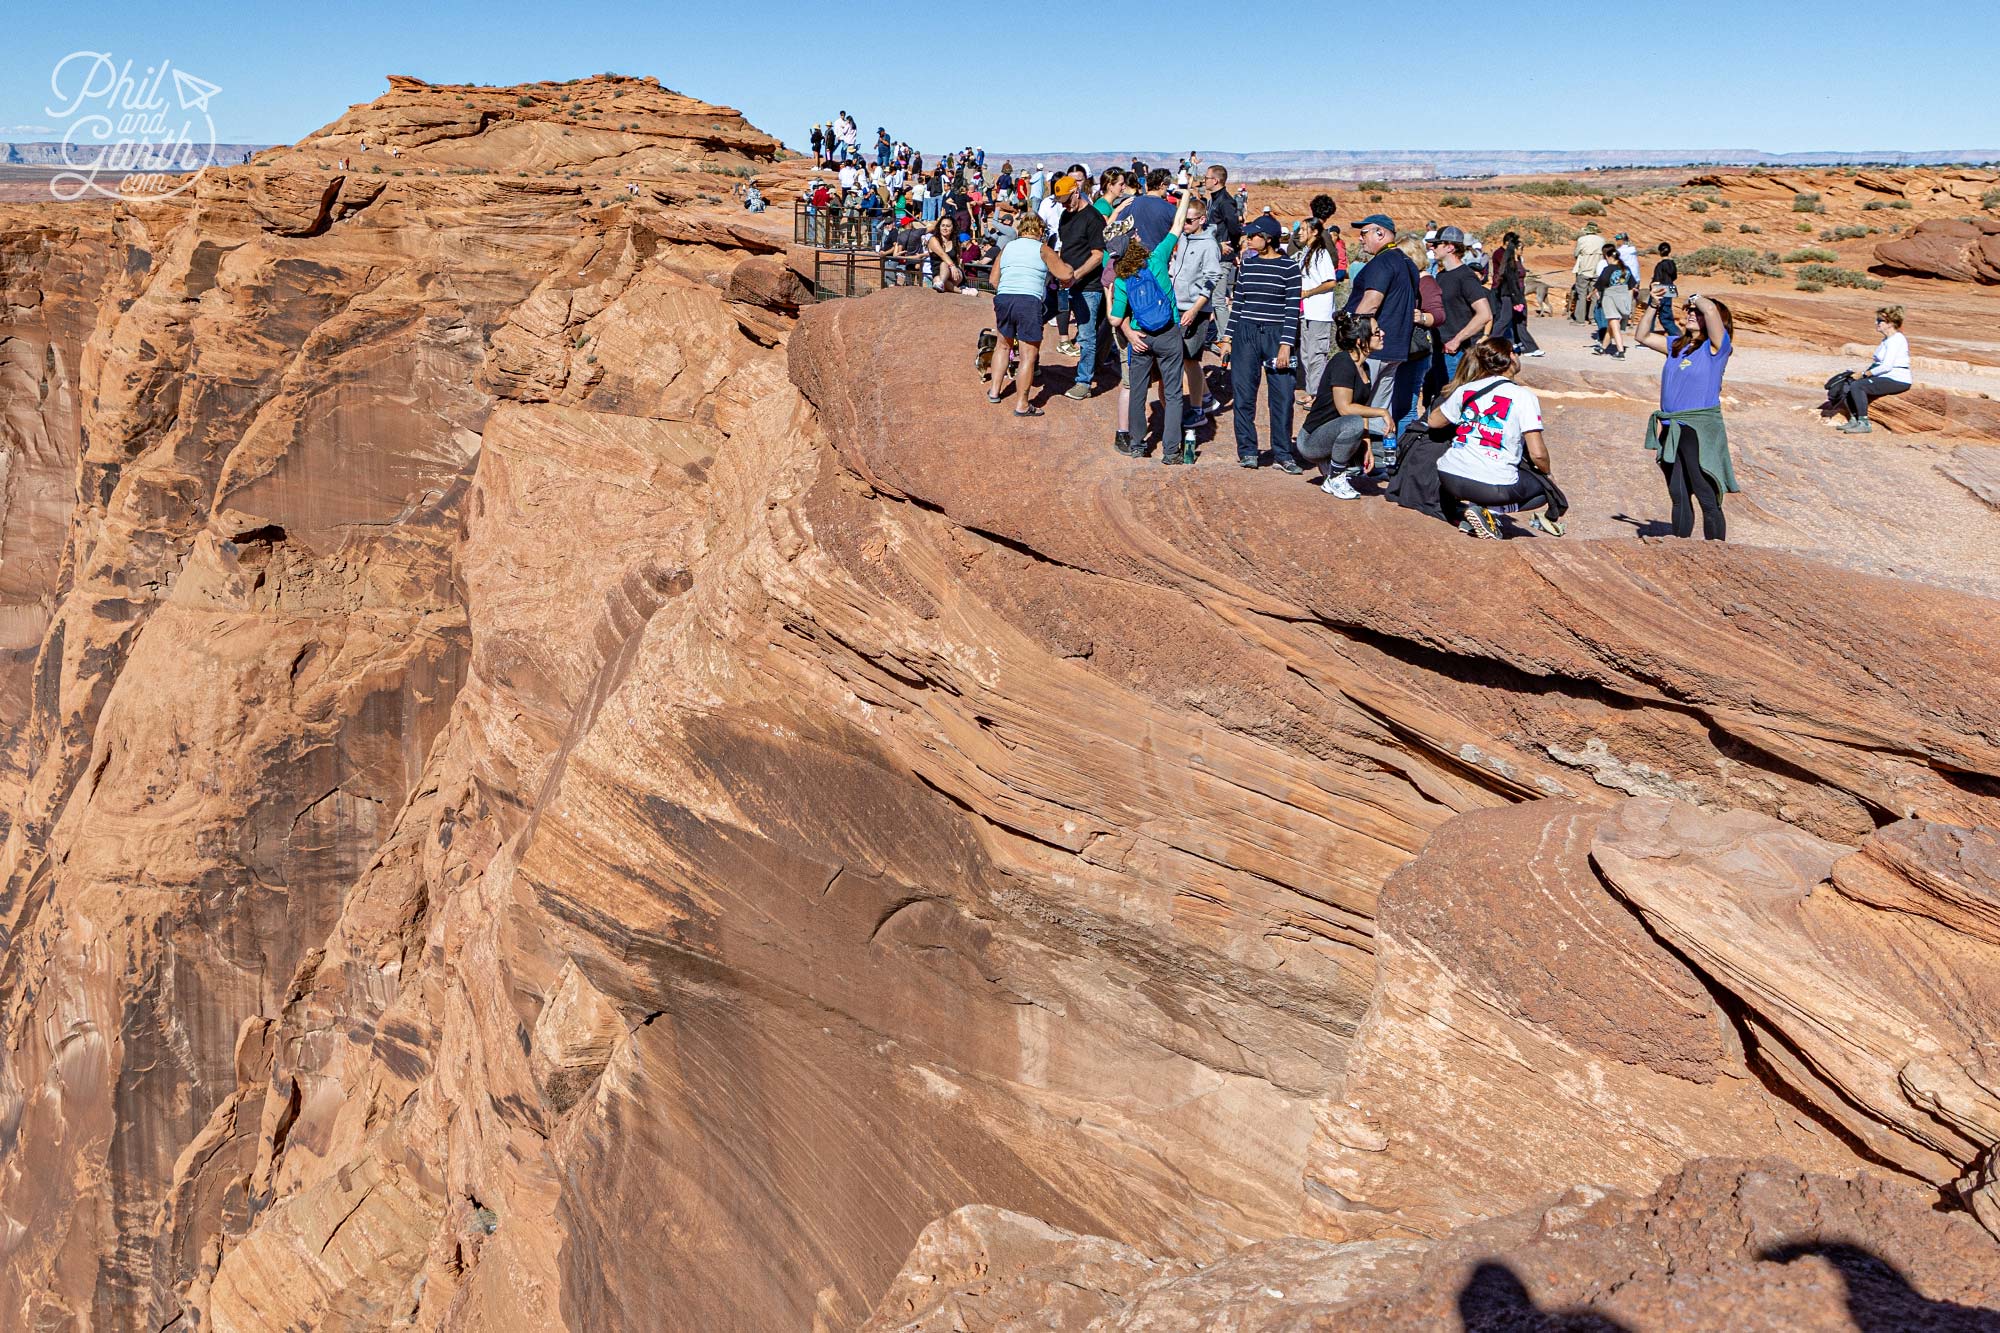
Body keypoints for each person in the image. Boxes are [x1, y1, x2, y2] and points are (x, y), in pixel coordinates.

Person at [1425, 338, 1566, 539]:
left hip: (1449, 476)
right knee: (1546, 490)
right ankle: (1491, 512)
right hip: (1491, 485)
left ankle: (1474, 513)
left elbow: (1434, 421)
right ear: (1510, 357)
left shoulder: (1466, 390)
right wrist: (1548, 474)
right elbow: (1538, 454)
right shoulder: (1523, 396)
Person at [1637, 289, 1737, 540]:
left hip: (1697, 429)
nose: (1692, 314)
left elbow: (1711, 309)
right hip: (1671, 427)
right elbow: (1642, 336)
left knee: (1705, 492)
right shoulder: (1676, 345)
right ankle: (1680, 548)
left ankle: (1715, 553)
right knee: (1678, 493)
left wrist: (1696, 298)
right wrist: (1653, 305)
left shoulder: (1717, 348)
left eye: (1697, 313)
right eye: (1690, 311)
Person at [1111, 185, 1198, 459]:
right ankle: (1171, 452)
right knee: (1172, 394)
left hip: (1140, 337)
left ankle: (1138, 445)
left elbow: (1115, 317)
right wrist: (1186, 194)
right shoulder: (1158, 258)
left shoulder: (1121, 278)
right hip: (1169, 333)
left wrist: (1129, 331)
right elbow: (1177, 224)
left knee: (1137, 393)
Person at [1217, 214, 1304, 470]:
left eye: (1254, 235)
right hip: (1246, 334)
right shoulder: (1248, 265)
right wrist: (1227, 338)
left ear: (1268, 239)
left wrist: (1287, 344)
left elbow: (1292, 310)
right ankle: (1247, 451)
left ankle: (1283, 454)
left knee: (1283, 396)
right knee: (1244, 395)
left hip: (1277, 337)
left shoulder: (1289, 268)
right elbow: (1239, 305)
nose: (1249, 239)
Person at [1343, 214, 1421, 455]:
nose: (1360, 238)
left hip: (1372, 346)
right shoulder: (1407, 263)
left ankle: (1349, 461)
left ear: (1381, 234)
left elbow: (1371, 303)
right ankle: (1377, 460)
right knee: (1379, 406)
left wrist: (1352, 337)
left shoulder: (1382, 262)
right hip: (1395, 347)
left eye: (1364, 232)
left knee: (1355, 403)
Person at [1297, 313, 1396, 498]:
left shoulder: (1364, 368)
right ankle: (1334, 478)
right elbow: (1346, 408)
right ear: (1360, 341)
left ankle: (1332, 465)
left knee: (1360, 457)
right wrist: (1382, 412)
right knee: (1354, 423)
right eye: (1376, 332)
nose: (1382, 333)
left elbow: (1361, 409)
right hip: (1311, 440)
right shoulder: (1343, 362)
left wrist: (1366, 446)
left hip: (1333, 432)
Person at [987, 215, 1072, 417]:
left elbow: (993, 280)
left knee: (1003, 345)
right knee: (1028, 355)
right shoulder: (1042, 248)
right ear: (1040, 231)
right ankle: (1022, 404)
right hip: (1028, 301)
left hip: (1005, 297)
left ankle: (994, 391)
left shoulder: (1008, 247)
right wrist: (1069, 268)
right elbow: (1065, 275)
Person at [1170, 194, 1223, 452]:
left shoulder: (1209, 245)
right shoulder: (1183, 237)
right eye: (1183, 221)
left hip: (1195, 310)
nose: (1185, 225)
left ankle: (1197, 409)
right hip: (1177, 306)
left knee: (1190, 359)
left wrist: (1194, 310)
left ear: (1202, 220)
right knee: (1185, 359)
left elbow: (1212, 279)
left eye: (1189, 221)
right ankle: (1205, 397)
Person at [1056, 176, 1109, 400]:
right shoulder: (1065, 215)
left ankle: (1084, 382)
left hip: (1088, 286)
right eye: (1061, 201)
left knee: (1087, 335)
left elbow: (1098, 256)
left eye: (1068, 200)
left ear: (1077, 191)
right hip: (1065, 282)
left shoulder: (1093, 218)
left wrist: (1075, 276)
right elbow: (1064, 247)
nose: (1065, 205)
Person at [1836, 306, 1912, 433]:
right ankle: (1854, 419)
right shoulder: (1887, 340)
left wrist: (1865, 375)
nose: (1876, 323)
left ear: (1891, 323)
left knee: (1858, 386)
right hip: (1886, 376)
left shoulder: (1896, 340)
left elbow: (1887, 366)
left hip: (1897, 379)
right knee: (1848, 383)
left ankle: (1864, 423)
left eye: (1879, 320)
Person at [1432, 226, 1493, 379]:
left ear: (1450, 247)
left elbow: (1485, 314)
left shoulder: (1466, 277)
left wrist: (1456, 340)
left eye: (1436, 244)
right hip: (1439, 350)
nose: (1432, 248)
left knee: (1452, 397)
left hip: (1455, 354)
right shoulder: (1441, 276)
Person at [1297, 218, 1343, 408]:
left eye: (1303, 229)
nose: (1299, 233)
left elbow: (1331, 282)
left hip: (1319, 313)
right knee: (1306, 354)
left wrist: (1308, 293)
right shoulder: (1307, 252)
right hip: (1307, 312)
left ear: (1314, 232)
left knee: (1317, 354)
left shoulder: (1322, 254)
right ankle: (1312, 391)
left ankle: (1318, 394)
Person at [1488, 231, 1542, 357]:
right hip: (1506, 291)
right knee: (1504, 318)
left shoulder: (1512, 257)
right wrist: (1515, 296)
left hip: (1515, 291)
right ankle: (1492, 341)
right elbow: (1509, 277)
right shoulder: (1501, 255)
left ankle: (1523, 345)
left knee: (1518, 319)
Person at [1593, 244, 1635, 358]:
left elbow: (1601, 285)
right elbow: (1631, 286)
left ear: (1608, 257)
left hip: (1610, 297)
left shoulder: (1608, 269)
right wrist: (1628, 303)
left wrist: (1594, 294)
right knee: (1611, 326)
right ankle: (1603, 348)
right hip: (1623, 298)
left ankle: (1620, 351)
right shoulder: (1627, 269)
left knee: (1614, 324)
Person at [923, 215, 965, 292]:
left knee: (944, 264)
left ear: (953, 228)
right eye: (943, 225)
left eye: (948, 226)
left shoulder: (956, 242)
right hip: (939, 273)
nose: (945, 228)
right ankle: (961, 291)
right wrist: (951, 265)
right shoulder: (933, 240)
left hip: (954, 273)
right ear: (939, 227)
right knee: (938, 280)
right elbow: (942, 254)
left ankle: (943, 284)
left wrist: (954, 267)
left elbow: (958, 259)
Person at [1572, 220, 1603, 323]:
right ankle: (1592, 318)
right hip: (1596, 271)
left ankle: (1580, 320)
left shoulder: (1582, 240)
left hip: (1584, 270)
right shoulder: (1602, 240)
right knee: (1594, 295)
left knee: (1581, 294)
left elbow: (1576, 253)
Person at [1650, 242, 1680, 339]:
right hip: (1670, 289)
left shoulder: (1660, 265)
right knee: (1667, 315)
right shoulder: (1672, 264)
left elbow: (1656, 281)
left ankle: (1647, 337)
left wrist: (1653, 290)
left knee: (1651, 314)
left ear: (1659, 252)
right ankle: (1678, 336)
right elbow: (1674, 277)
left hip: (1661, 290)